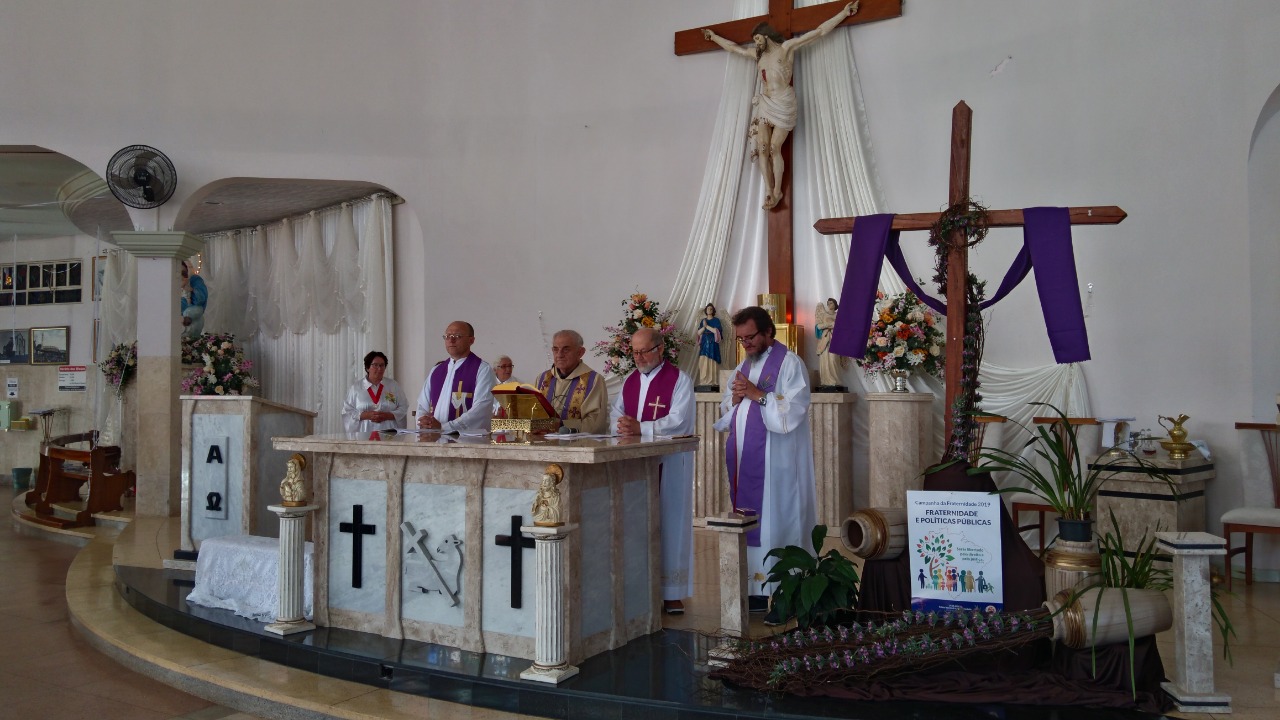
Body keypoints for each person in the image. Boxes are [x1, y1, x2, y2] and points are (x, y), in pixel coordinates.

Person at [712, 305, 816, 625]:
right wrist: (735, 399)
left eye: (751, 337)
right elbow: (728, 408)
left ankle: (788, 595)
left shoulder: (790, 364)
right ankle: (757, 590)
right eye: (741, 339)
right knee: (754, 524)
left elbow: (793, 411)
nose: (746, 344)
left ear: (769, 331)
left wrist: (757, 394)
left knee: (780, 523)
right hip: (748, 461)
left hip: (779, 466)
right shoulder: (743, 365)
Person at [703, 1, 859, 210]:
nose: (756, 43)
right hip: (765, 103)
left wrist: (843, 14)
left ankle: (778, 191)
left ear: (766, 36)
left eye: (758, 38)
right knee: (762, 147)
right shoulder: (758, 55)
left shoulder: (786, 49)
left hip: (783, 102)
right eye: (755, 40)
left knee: (774, 147)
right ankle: (769, 190)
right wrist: (713, 37)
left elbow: (819, 32)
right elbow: (734, 48)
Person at [609, 327, 696, 615]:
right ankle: (639, 590)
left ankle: (672, 592)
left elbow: (680, 421)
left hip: (669, 465)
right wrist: (622, 427)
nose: (638, 358)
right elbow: (616, 413)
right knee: (637, 524)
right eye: (634, 352)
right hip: (635, 464)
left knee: (670, 522)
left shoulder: (679, 380)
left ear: (660, 349)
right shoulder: (629, 381)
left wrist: (642, 428)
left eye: (644, 351)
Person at [415, 321, 496, 433]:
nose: (451, 340)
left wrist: (444, 428)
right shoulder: (436, 370)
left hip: (467, 440)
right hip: (434, 438)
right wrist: (424, 422)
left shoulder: (482, 369)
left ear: (471, 340)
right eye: (448, 336)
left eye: (457, 336)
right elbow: (422, 405)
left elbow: (481, 410)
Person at [534, 329, 608, 434]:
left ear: (580, 352)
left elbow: (596, 423)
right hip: (543, 442)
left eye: (566, 349)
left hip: (578, 443)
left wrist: (561, 425)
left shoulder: (593, 380)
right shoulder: (542, 379)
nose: (559, 355)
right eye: (555, 349)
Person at [342, 351, 408, 433]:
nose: (379, 369)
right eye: (375, 365)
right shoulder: (356, 388)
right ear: (367, 368)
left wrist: (387, 415)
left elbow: (403, 407)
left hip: (389, 433)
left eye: (382, 365)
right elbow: (347, 411)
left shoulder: (393, 386)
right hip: (364, 433)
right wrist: (365, 415)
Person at [814, 297, 847, 390]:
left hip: (835, 339)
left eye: (831, 303)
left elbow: (843, 327)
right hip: (825, 339)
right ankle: (826, 381)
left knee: (833, 359)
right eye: (828, 303)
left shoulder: (838, 315)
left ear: (835, 305)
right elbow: (818, 327)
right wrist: (830, 325)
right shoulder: (824, 314)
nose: (829, 305)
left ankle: (835, 380)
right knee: (825, 359)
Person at [694, 303, 723, 390]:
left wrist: (706, 326)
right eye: (708, 309)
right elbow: (698, 333)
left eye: (711, 309)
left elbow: (716, 331)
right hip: (704, 343)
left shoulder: (716, 320)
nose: (709, 310)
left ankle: (712, 381)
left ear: (713, 311)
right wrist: (703, 327)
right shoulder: (703, 320)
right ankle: (703, 381)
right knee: (703, 361)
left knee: (712, 362)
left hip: (713, 343)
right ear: (705, 310)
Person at [180, 261, 208, 338]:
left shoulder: (195, 280)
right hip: (181, 303)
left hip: (192, 306)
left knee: (188, 312)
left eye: (183, 272)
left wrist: (191, 289)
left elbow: (201, 298)